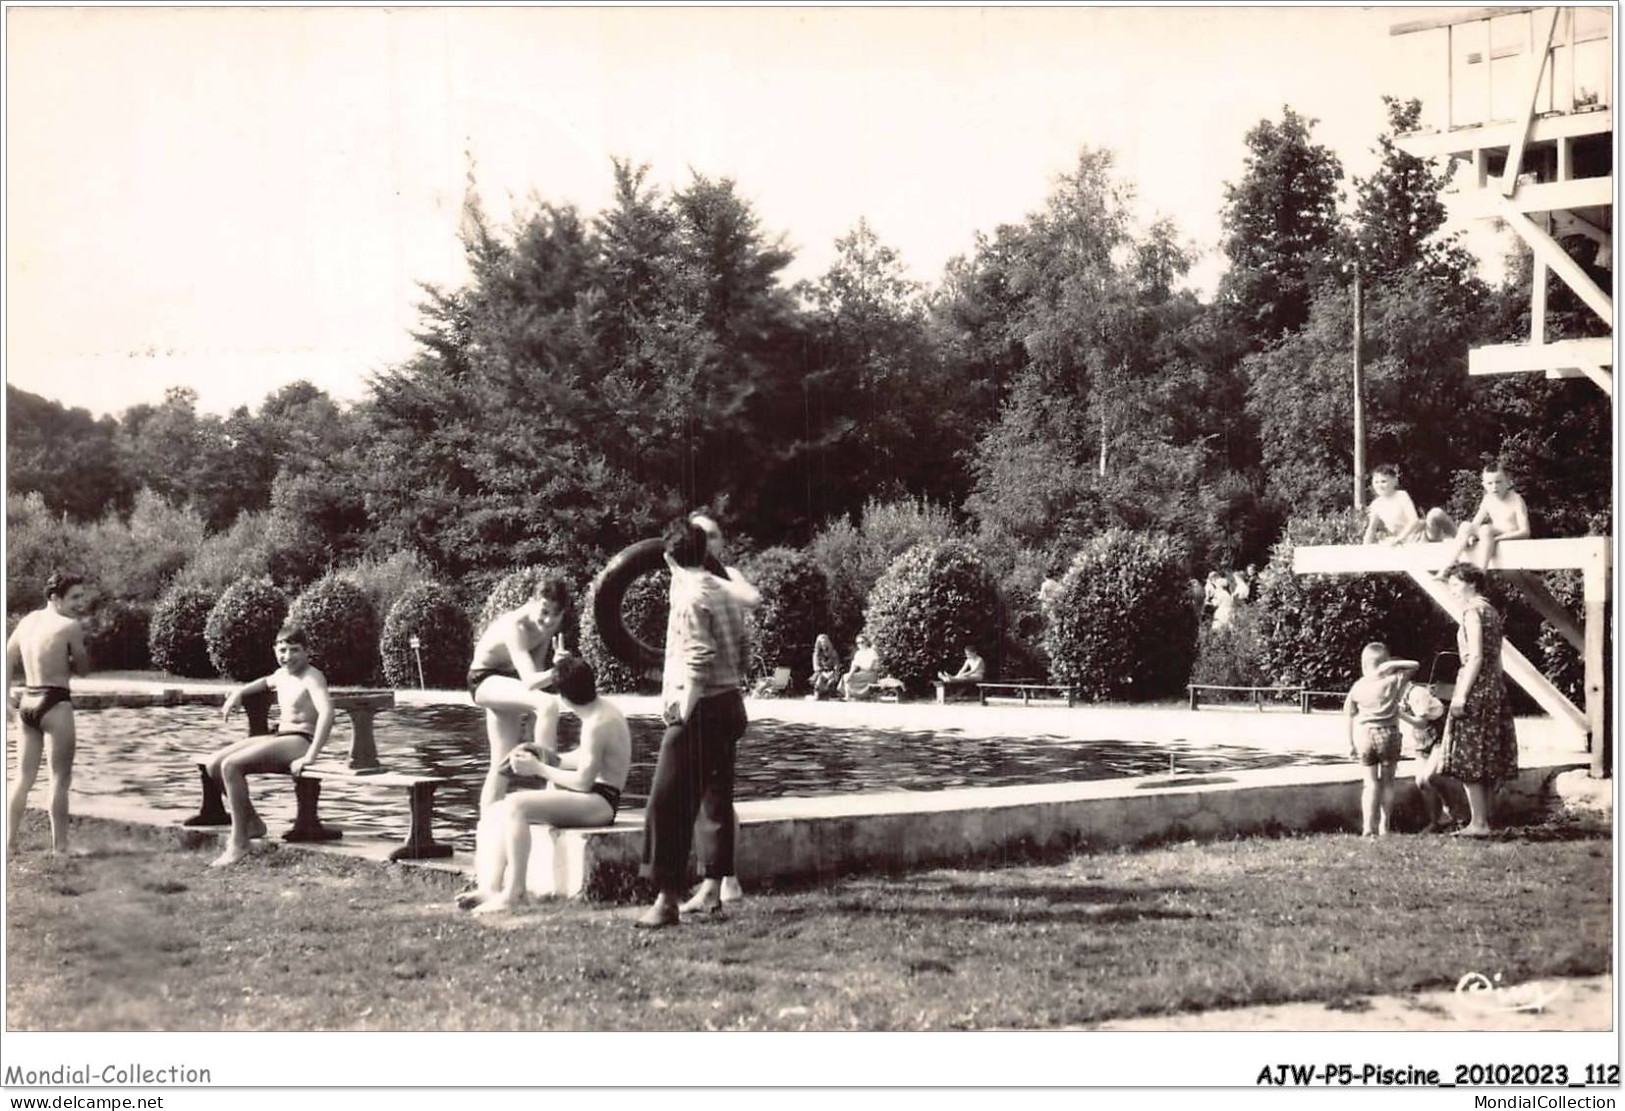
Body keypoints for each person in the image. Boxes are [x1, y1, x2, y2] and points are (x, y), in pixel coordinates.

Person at [636, 517, 752, 929]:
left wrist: (684, 707)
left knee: (665, 804)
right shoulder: (721, 591)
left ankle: (665, 900)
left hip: (701, 709)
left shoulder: (689, 597)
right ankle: (711, 891)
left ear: (668, 558)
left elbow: (698, 658)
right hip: (729, 704)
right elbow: (741, 645)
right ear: (703, 553)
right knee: (716, 799)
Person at [459, 657, 632, 914]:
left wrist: (538, 769)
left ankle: (515, 892)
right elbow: (589, 758)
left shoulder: (597, 724)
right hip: (597, 796)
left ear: (563, 696)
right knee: (500, 808)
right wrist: (550, 758)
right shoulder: (603, 711)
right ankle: (491, 887)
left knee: (516, 806)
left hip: (601, 803)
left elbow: (584, 782)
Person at [208, 623, 336, 867]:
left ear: (307, 651)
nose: (287, 656)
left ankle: (239, 843)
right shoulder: (281, 675)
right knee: (215, 765)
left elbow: (328, 713)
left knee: (231, 766)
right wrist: (238, 693)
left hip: (300, 741)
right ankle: (253, 822)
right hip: (280, 737)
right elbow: (264, 682)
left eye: (294, 650)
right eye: (282, 650)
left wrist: (310, 756)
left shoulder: (312, 677)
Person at [468, 576, 573, 812]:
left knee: (501, 765)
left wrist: (534, 722)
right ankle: (553, 787)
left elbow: (536, 679)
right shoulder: (514, 626)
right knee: (549, 705)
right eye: (544, 611)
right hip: (483, 679)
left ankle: (487, 827)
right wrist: (558, 671)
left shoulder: (546, 627)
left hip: (508, 683)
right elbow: (529, 680)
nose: (547, 621)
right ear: (532, 601)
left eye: (554, 616)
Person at [6, 571, 92, 854]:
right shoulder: (70, 626)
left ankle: (8, 844)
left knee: (23, 777)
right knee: (59, 779)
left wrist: (5, 695)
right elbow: (84, 669)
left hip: (28, 702)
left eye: (82, 596)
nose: (80, 603)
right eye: (74, 597)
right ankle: (61, 848)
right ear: (55, 598)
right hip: (55, 701)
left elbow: (7, 654)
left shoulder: (28, 621)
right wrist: (75, 654)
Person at [1431, 563, 1520, 836]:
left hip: (1476, 686)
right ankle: (1482, 820)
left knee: (1470, 754)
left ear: (1471, 583)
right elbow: (1498, 661)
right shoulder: (1492, 611)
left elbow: (1476, 656)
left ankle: (1479, 823)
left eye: (1456, 584)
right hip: (1493, 686)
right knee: (1486, 753)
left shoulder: (1472, 611)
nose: (1453, 591)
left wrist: (1460, 695)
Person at [1343, 643, 1420, 838]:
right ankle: (1384, 826)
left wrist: (1350, 743)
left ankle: (1368, 827)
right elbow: (1415, 665)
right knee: (1388, 783)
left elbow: (1348, 715)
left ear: (1363, 664)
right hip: (1388, 734)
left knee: (1370, 784)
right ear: (1385, 663)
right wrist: (1388, 667)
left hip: (1364, 736)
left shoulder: (1358, 686)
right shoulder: (1393, 681)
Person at [1437, 461, 1531, 573]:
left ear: (1508, 482)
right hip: (1491, 537)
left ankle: (1482, 571)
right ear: (1484, 485)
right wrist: (1471, 537)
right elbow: (1475, 524)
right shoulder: (1488, 499)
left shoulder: (1516, 499)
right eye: (1490, 483)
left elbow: (1525, 531)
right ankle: (1447, 567)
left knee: (1486, 529)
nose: (1495, 487)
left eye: (1499, 482)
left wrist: (1497, 539)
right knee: (1465, 526)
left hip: (1510, 539)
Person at [1401, 679, 1456, 832]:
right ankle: (1435, 821)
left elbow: (1422, 723)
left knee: (1429, 777)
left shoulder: (1417, 693)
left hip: (1439, 736)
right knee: (1421, 782)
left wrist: (1398, 713)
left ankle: (1451, 810)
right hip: (1422, 740)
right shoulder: (1396, 695)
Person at [840, 634, 882, 700]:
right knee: (846, 676)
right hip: (862, 673)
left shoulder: (872, 652)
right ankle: (848, 695)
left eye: (862, 642)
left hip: (871, 674)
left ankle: (849, 696)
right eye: (858, 643)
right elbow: (854, 665)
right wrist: (850, 674)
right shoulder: (858, 653)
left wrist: (858, 665)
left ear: (866, 642)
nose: (860, 644)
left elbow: (869, 668)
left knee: (848, 676)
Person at [810, 633, 842, 701]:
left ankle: (832, 694)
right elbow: (816, 667)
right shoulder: (816, 654)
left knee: (832, 680)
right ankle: (817, 694)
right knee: (820, 678)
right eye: (821, 642)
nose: (823, 644)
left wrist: (834, 672)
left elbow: (836, 665)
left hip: (832, 672)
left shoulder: (833, 653)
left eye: (824, 641)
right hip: (821, 672)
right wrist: (824, 673)